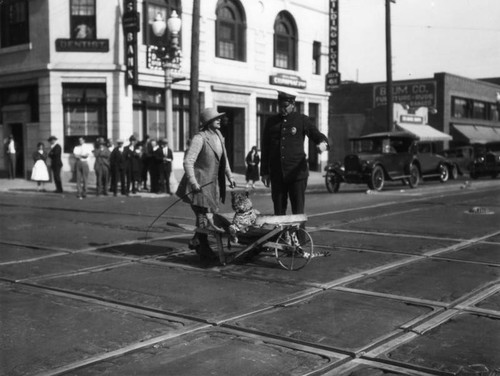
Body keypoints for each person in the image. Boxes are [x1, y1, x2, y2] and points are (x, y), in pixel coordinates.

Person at [176, 107, 236, 261]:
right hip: (199, 185)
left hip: (212, 184)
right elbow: (188, 162)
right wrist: (193, 182)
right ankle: (204, 247)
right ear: (208, 122)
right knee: (203, 216)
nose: (219, 120)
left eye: (219, 118)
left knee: (209, 215)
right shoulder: (200, 138)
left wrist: (229, 176)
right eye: (216, 118)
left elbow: (224, 160)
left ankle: (196, 241)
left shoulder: (219, 136)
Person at [261, 89, 329, 215]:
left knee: (298, 213)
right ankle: (281, 235)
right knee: (279, 213)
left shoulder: (301, 120)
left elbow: (317, 135)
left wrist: (323, 143)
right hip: (277, 175)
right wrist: (264, 172)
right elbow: (265, 148)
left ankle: (299, 235)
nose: (282, 109)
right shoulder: (271, 122)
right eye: (280, 106)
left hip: (297, 175)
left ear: (293, 104)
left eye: (285, 106)